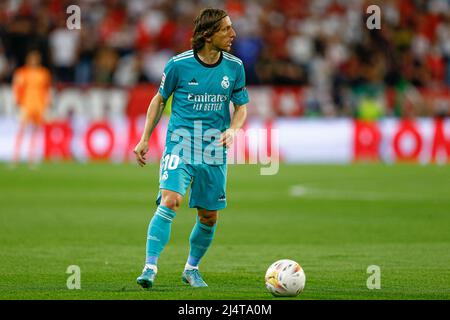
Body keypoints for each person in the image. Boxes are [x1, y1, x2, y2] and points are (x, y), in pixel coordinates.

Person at [133, 8, 249, 288]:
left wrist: (233, 130)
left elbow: (242, 105)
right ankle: (149, 267)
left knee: (208, 215)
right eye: (226, 29)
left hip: (213, 149)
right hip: (181, 143)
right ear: (208, 35)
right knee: (171, 200)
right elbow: (159, 100)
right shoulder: (178, 64)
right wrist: (145, 138)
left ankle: (191, 269)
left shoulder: (235, 67)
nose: (233, 34)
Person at [12, 50, 52, 167]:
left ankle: (31, 157)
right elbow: (17, 88)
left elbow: (46, 90)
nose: (34, 61)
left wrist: (47, 103)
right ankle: (16, 157)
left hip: (39, 105)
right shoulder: (22, 72)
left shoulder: (44, 73)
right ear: (28, 60)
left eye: (36, 59)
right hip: (26, 104)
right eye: (32, 59)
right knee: (22, 130)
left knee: (35, 131)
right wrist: (18, 102)